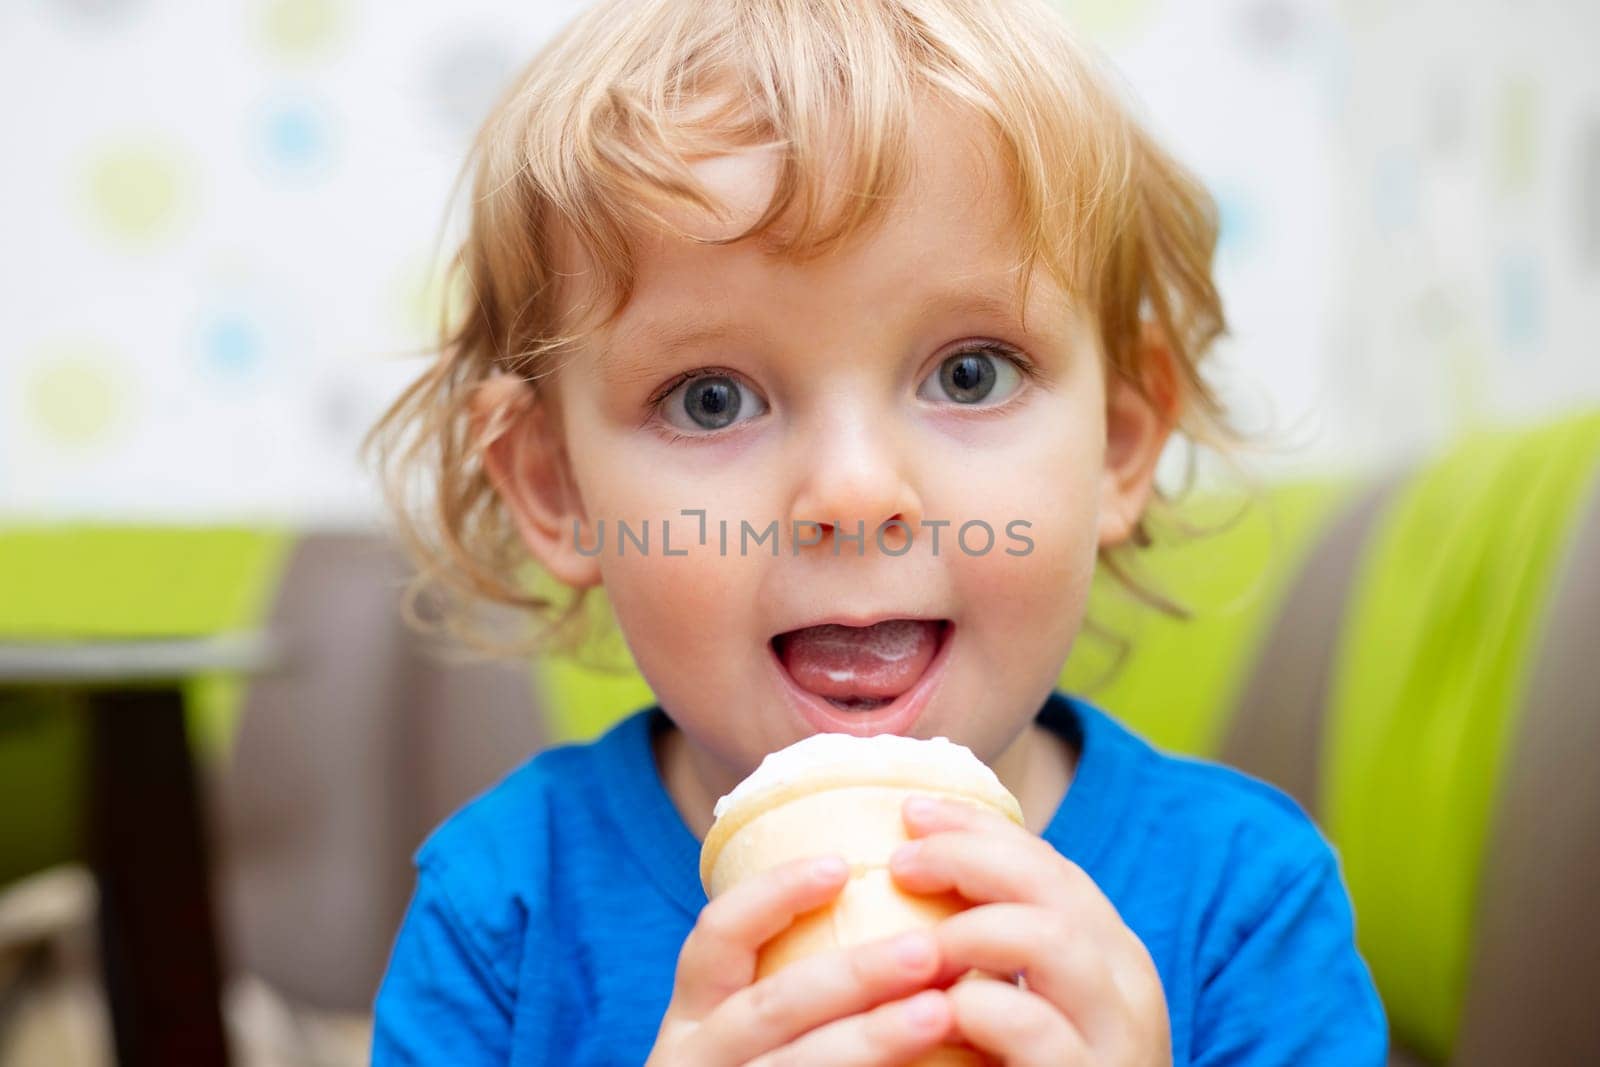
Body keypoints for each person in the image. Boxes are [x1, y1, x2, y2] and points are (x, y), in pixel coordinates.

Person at [363, 0, 1387, 1062]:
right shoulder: (503, 918)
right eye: (711, 397)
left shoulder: (1244, 905)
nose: (853, 492)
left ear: (1119, 444)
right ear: (556, 482)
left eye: (968, 372)